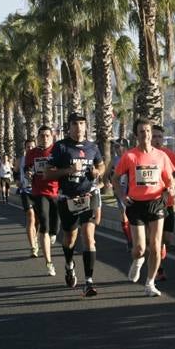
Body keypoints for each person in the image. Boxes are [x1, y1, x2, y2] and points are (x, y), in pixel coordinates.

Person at [115, 118, 175, 297]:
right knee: (140, 248)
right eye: (142, 132)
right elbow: (115, 179)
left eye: (148, 131)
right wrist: (122, 196)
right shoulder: (130, 156)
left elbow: (169, 178)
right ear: (136, 135)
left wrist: (169, 189)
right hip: (136, 204)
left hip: (156, 202)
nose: (146, 135)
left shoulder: (161, 156)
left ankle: (150, 283)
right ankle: (138, 259)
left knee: (156, 246)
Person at [47, 113, 106, 296]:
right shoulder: (60, 147)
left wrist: (97, 171)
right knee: (69, 238)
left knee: (89, 237)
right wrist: (68, 170)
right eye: (75, 124)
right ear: (69, 127)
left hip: (89, 196)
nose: (79, 127)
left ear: (86, 126)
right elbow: (47, 174)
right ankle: (69, 264)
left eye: (82, 123)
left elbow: (102, 165)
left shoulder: (92, 147)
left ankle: (88, 281)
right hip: (68, 199)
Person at [23, 125, 60, 278]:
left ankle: (53, 233)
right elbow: (27, 169)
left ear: (52, 137)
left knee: (55, 226)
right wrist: (29, 173)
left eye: (47, 135)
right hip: (39, 192)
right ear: (37, 137)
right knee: (43, 223)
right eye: (41, 136)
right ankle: (49, 262)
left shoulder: (57, 151)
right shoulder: (31, 153)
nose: (44, 138)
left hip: (56, 192)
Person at [152, 124, 175, 282]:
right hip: (151, 203)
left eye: (159, 137)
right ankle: (158, 269)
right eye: (154, 136)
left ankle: (160, 252)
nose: (157, 140)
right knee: (155, 238)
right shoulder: (144, 155)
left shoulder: (169, 154)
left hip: (168, 202)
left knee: (167, 239)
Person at [17, 138, 37, 253]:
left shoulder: (39, 158)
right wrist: (17, 180)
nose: (30, 149)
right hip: (26, 191)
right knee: (30, 217)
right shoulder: (21, 160)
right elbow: (15, 171)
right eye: (28, 147)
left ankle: (36, 238)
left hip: (38, 191)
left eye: (32, 147)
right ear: (25, 148)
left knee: (38, 221)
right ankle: (33, 247)